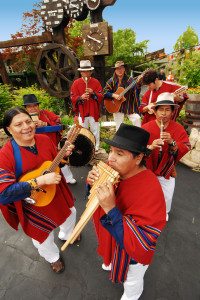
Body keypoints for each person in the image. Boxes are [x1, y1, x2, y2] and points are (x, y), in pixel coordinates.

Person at [87, 124, 166, 300]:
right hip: (113, 237)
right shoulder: (114, 171)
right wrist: (93, 184)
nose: (110, 159)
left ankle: (132, 295)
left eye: (119, 153)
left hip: (132, 254)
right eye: (111, 150)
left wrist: (110, 208)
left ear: (138, 158)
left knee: (131, 279)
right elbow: (93, 200)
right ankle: (111, 260)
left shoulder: (151, 190)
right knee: (111, 260)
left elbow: (143, 240)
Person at [0, 107, 77, 273]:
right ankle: (53, 258)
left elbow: (54, 164)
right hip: (33, 204)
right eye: (18, 124)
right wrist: (39, 181)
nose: (26, 127)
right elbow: (4, 194)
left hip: (57, 193)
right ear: (8, 129)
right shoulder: (5, 155)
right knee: (41, 237)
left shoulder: (43, 139)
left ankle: (66, 234)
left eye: (28, 121)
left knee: (71, 214)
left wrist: (63, 157)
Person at [142, 92, 190, 221]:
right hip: (148, 168)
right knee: (146, 193)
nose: (164, 113)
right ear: (155, 111)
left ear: (172, 112)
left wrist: (172, 142)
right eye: (161, 109)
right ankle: (147, 211)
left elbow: (186, 146)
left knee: (167, 195)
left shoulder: (178, 128)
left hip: (166, 168)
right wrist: (150, 147)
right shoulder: (146, 127)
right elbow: (137, 149)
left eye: (167, 110)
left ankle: (164, 212)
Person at [23, 94, 76, 184]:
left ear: (38, 106)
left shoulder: (46, 113)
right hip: (36, 147)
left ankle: (68, 177)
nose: (33, 108)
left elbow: (59, 124)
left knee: (60, 160)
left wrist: (45, 124)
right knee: (42, 166)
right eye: (29, 107)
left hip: (52, 143)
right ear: (26, 109)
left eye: (35, 105)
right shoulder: (24, 119)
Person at [70, 60, 103, 152]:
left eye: (87, 71)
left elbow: (101, 96)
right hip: (82, 111)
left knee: (95, 130)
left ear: (90, 72)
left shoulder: (96, 82)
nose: (85, 73)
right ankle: (85, 148)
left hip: (93, 111)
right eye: (83, 71)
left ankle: (96, 147)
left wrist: (93, 93)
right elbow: (72, 97)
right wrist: (80, 97)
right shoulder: (76, 83)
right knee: (83, 130)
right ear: (81, 72)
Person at [103, 61, 141, 131]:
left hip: (128, 106)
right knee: (119, 127)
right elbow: (104, 92)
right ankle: (119, 141)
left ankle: (138, 137)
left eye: (121, 68)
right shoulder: (111, 81)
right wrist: (113, 95)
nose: (119, 70)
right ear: (115, 70)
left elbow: (136, 94)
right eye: (117, 69)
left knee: (137, 119)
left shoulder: (130, 80)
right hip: (116, 106)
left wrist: (138, 85)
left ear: (124, 69)